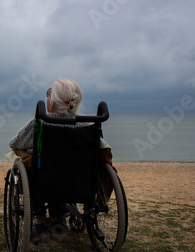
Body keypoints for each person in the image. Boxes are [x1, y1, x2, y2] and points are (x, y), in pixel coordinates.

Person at [8, 78, 115, 236]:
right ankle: (59, 218)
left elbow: (15, 143)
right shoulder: (87, 126)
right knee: (65, 169)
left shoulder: (40, 123)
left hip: (45, 181)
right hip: (79, 182)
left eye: (49, 93)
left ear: (52, 101)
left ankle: (40, 218)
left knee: (33, 164)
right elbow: (103, 148)